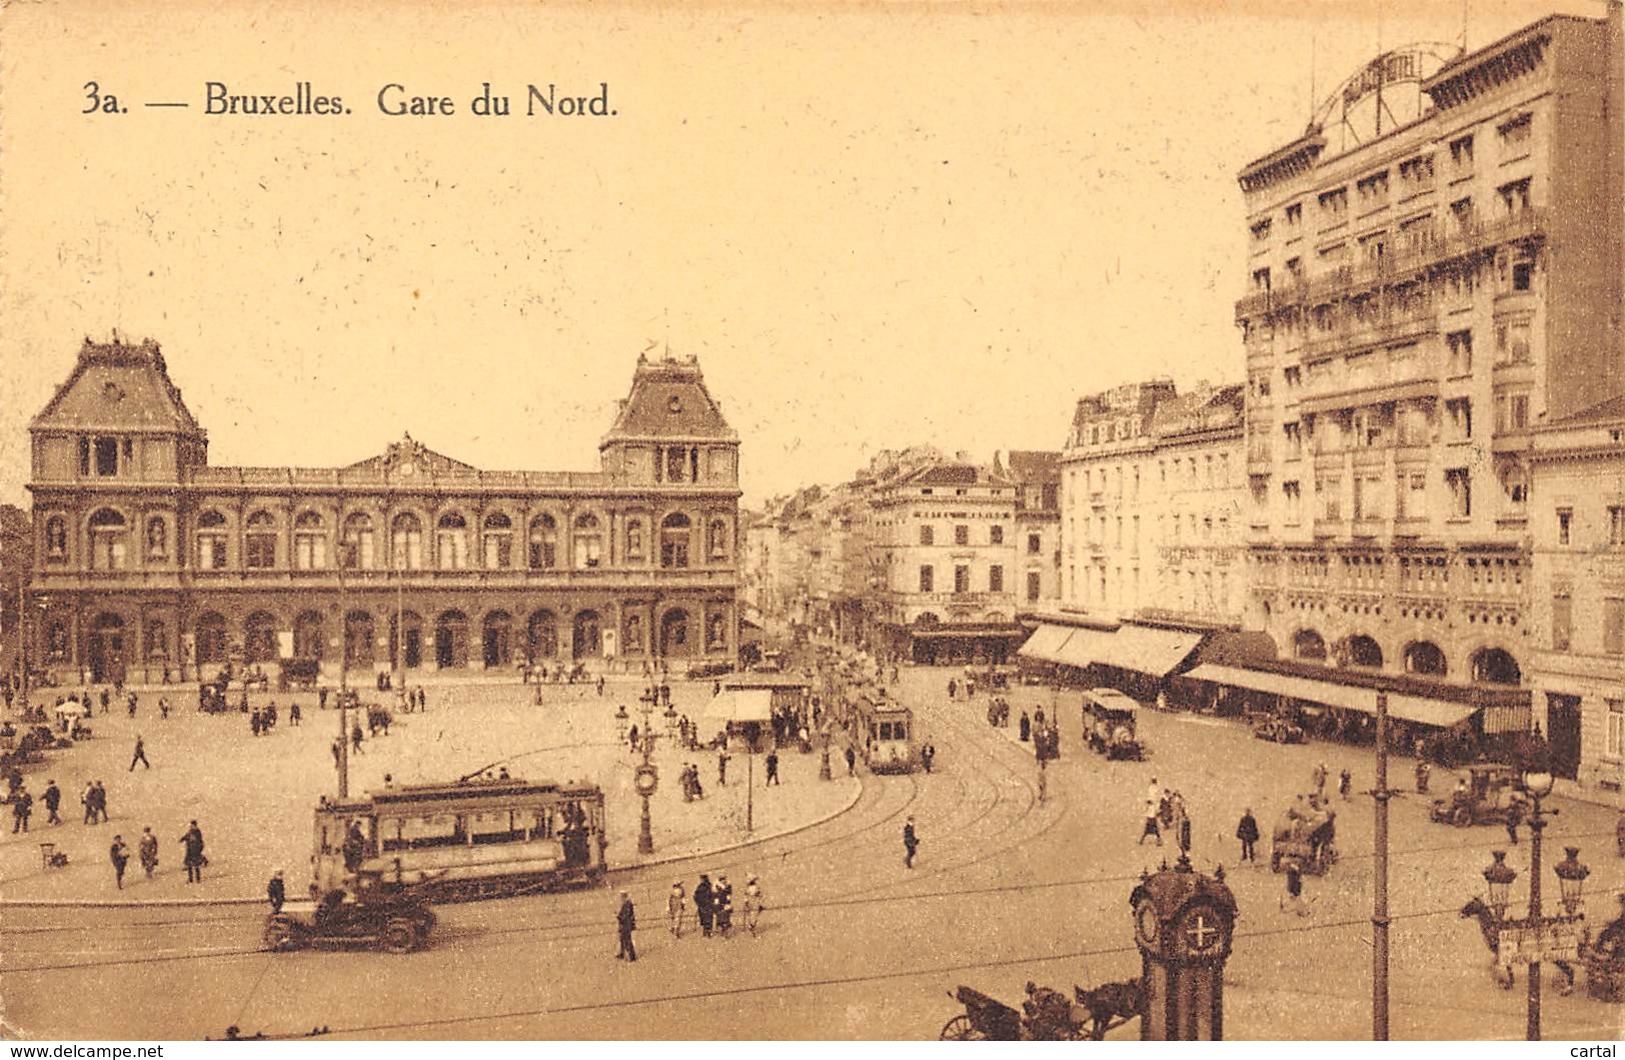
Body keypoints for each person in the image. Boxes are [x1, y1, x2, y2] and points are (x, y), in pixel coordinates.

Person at [615, 890, 637, 961]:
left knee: (627, 940)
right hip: (624, 925)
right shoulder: (626, 903)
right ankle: (621, 954)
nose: (620, 898)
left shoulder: (627, 904)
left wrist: (618, 916)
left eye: (621, 896)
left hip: (626, 925)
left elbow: (625, 916)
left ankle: (632, 956)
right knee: (622, 939)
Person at [743, 874, 764, 938]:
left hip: (752, 902)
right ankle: (752, 928)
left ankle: (752, 927)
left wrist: (746, 901)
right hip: (753, 902)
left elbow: (746, 896)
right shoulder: (754, 888)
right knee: (753, 916)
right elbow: (759, 895)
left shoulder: (749, 888)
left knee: (752, 915)